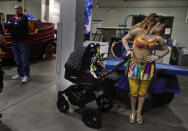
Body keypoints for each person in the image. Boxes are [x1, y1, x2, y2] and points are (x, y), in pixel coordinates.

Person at [122, 13, 169, 124]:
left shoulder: (158, 38)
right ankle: (133, 112)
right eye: (163, 26)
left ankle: (139, 112)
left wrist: (157, 56)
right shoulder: (138, 31)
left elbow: (166, 50)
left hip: (148, 67)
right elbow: (124, 39)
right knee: (133, 92)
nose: (163, 29)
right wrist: (128, 50)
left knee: (143, 92)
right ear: (158, 24)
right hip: (134, 65)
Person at [5, 5, 30, 83]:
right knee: (17, 60)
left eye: (18, 9)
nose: (16, 10)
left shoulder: (24, 18)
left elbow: (19, 25)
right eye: (15, 9)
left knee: (24, 59)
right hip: (14, 42)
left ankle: (26, 75)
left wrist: (12, 25)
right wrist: (14, 25)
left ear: (21, 10)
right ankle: (20, 74)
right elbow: (6, 25)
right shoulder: (12, 18)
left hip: (23, 42)